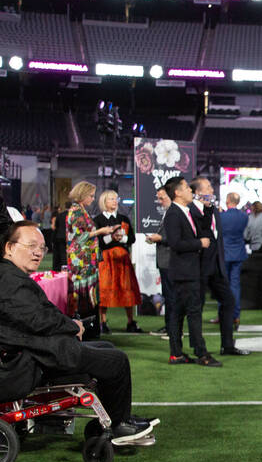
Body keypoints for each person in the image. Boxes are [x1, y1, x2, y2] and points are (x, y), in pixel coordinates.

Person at [0, 220, 155, 445]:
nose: (37, 253)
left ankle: (113, 420)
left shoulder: (12, 276)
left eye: (41, 248)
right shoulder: (10, 281)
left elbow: (38, 317)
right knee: (116, 360)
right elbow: (37, 320)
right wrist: (73, 327)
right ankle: (120, 426)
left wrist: (70, 324)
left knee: (106, 348)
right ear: (9, 247)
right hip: (28, 360)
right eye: (31, 246)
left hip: (33, 350)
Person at [161, 177, 219, 367]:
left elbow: (202, 228)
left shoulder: (186, 211)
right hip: (185, 271)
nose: (190, 191)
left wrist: (209, 208)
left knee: (178, 312)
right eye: (186, 188)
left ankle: (176, 353)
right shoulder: (173, 214)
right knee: (192, 313)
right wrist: (198, 244)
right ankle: (201, 353)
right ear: (177, 192)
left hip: (188, 270)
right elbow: (175, 243)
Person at [190, 177, 247, 356]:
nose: (212, 190)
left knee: (228, 301)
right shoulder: (190, 211)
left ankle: (227, 345)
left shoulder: (214, 210)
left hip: (217, 265)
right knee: (196, 307)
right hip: (198, 266)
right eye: (208, 187)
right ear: (198, 192)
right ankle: (199, 348)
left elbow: (217, 238)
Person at [93, 189, 143, 334]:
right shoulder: (98, 220)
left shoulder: (124, 218)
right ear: (104, 202)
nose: (114, 202)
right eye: (111, 199)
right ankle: (102, 322)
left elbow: (132, 239)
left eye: (116, 199)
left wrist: (122, 238)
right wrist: (111, 238)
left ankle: (130, 321)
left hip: (122, 259)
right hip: (106, 260)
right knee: (104, 290)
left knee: (127, 289)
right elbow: (98, 243)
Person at [64, 181, 116, 320]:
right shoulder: (76, 212)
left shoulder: (81, 210)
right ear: (83, 195)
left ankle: (89, 323)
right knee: (82, 294)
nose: (93, 199)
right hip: (81, 261)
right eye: (91, 196)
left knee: (87, 293)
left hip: (87, 260)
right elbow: (78, 238)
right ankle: (82, 324)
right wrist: (100, 231)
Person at [143, 187, 174, 334]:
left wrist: (159, 238)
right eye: (159, 198)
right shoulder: (168, 212)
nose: (160, 202)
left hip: (170, 260)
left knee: (171, 296)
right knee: (168, 296)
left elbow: (178, 237)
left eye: (162, 198)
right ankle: (169, 327)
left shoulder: (174, 213)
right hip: (165, 260)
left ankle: (173, 329)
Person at [219, 191, 249, 329]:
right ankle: (235, 315)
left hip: (225, 253)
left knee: (223, 284)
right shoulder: (244, 217)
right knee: (235, 284)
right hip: (238, 253)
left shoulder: (221, 216)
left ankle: (224, 315)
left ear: (227, 200)